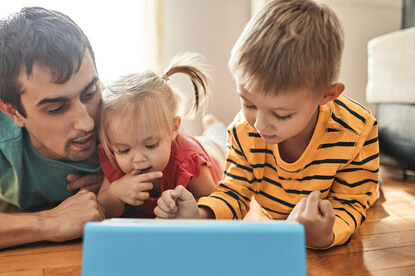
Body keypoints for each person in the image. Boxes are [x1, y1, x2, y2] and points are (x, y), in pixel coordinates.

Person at [155, 0, 380, 249]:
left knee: (370, 195)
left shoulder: (357, 131)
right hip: (278, 213)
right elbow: (235, 191)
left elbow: (350, 203)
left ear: (326, 96)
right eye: (248, 104)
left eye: (281, 115)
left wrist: (324, 235)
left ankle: (376, 185)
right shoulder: (243, 131)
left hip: (341, 197)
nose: (259, 125)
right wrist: (200, 215)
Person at [0, 7, 105, 258]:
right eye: (57, 108)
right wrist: (49, 222)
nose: (86, 123)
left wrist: (120, 179)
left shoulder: (119, 106)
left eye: (89, 93)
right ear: (13, 112)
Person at [97, 53, 225, 218]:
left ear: (174, 128)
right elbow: (102, 212)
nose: (137, 159)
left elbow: (213, 200)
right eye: (124, 150)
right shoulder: (115, 161)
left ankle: (213, 126)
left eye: (150, 145)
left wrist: (191, 211)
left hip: (213, 154)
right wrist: (115, 194)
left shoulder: (189, 163)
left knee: (220, 142)